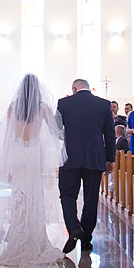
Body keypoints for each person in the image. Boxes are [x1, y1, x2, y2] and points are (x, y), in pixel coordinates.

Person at [0, 73, 67, 268]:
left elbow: (7, 136)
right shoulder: (42, 107)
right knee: (35, 194)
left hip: (18, 152)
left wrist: (5, 162)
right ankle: (35, 238)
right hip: (34, 152)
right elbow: (54, 131)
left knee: (18, 194)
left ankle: (18, 235)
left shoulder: (13, 106)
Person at [55, 78, 116, 253]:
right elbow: (110, 134)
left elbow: (57, 129)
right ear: (88, 88)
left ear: (74, 88)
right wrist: (109, 159)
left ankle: (74, 228)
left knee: (67, 194)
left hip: (70, 157)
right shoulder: (104, 105)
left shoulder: (64, 103)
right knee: (91, 198)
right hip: (95, 157)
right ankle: (86, 239)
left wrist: (69, 139)